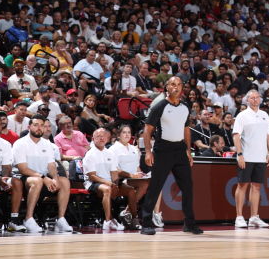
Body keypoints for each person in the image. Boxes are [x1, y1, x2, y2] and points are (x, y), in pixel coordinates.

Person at [138, 77, 201, 235]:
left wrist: (188, 150)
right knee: (155, 187)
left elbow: (186, 130)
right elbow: (147, 130)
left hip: (180, 150)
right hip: (162, 149)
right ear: (166, 87)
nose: (176, 87)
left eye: (179, 85)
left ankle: (189, 223)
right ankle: (146, 222)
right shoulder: (160, 106)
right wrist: (148, 151)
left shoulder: (185, 107)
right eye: (173, 84)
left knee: (187, 187)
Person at [12, 115, 74, 234]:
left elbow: (51, 165)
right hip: (24, 178)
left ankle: (61, 219)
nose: (39, 128)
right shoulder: (20, 143)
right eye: (36, 125)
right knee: (37, 181)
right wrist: (43, 178)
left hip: (44, 178)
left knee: (64, 181)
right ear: (29, 126)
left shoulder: (47, 144)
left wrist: (55, 178)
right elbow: (23, 169)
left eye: (42, 125)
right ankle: (28, 218)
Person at [232, 89, 269, 229]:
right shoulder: (242, 116)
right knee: (242, 185)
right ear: (247, 100)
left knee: (256, 186)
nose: (255, 100)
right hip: (246, 156)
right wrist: (240, 154)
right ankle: (239, 217)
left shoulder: (264, 115)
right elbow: (236, 135)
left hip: (261, 157)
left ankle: (254, 217)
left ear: (260, 99)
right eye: (252, 98)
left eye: (257, 97)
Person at [82, 128, 124, 231]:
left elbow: (114, 172)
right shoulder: (90, 154)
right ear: (93, 139)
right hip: (92, 183)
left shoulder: (110, 153)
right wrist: (108, 183)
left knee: (130, 190)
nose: (101, 138)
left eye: (103, 136)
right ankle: (108, 220)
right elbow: (92, 176)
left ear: (107, 138)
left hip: (109, 182)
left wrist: (115, 184)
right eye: (98, 136)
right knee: (107, 189)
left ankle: (132, 218)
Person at [110, 124, 148, 229]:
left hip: (134, 177)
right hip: (122, 179)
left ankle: (127, 211)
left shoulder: (134, 149)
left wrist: (141, 174)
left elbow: (137, 167)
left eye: (129, 132)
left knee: (149, 182)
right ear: (118, 135)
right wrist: (131, 175)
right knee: (143, 185)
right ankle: (133, 216)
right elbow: (115, 169)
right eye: (124, 132)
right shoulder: (113, 149)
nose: (127, 135)